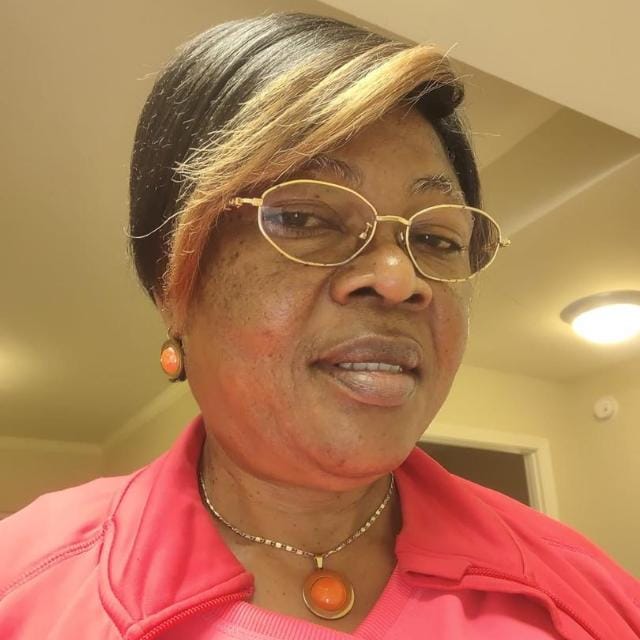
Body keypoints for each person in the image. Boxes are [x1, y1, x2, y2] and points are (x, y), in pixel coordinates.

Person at [0, 12, 638, 640]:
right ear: (175, 282)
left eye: (437, 238)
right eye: (305, 218)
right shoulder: (24, 588)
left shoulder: (587, 591)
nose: (399, 279)